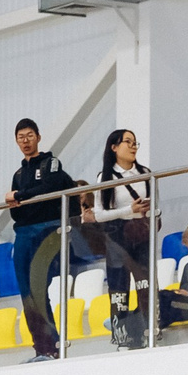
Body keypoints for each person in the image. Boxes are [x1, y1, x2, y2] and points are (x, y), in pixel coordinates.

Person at [4, 118, 78, 360]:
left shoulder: (51, 162)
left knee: (37, 289)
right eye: (20, 137)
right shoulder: (18, 173)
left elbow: (49, 189)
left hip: (47, 229)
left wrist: (21, 196)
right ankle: (41, 347)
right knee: (26, 294)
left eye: (29, 136)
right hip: (23, 233)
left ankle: (53, 346)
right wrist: (21, 198)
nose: (25, 141)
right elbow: (16, 210)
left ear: (38, 136)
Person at [78, 128, 152, 347]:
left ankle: (148, 329)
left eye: (135, 142)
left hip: (142, 231)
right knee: (119, 288)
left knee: (145, 283)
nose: (132, 146)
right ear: (114, 147)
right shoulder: (105, 176)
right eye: (127, 142)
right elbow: (99, 214)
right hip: (117, 234)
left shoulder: (146, 172)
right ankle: (122, 337)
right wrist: (128, 210)